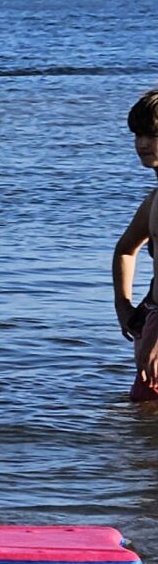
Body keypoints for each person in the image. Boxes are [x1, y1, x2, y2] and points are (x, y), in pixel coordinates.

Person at [107, 87, 158, 400]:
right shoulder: (153, 200)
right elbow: (125, 249)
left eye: (152, 134)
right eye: (137, 134)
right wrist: (123, 306)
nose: (141, 143)